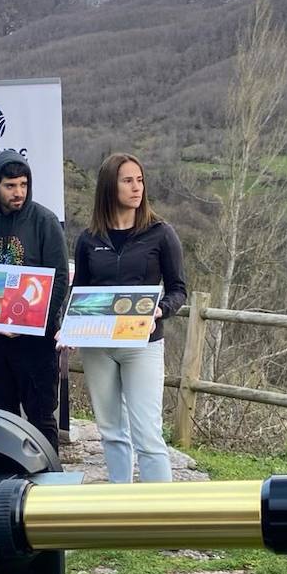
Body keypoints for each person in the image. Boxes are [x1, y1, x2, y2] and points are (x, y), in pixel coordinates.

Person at [70, 152, 187, 482]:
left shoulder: (161, 233)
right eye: (127, 180)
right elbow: (80, 293)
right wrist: (68, 331)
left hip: (143, 343)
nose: (137, 187)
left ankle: (159, 515)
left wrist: (160, 310)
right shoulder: (89, 239)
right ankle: (120, 504)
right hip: (98, 347)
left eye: (140, 179)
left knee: (148, 436)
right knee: (110, 431)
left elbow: (179, 289)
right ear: (110, 186)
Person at [0, 148, 69, 453]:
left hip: (34, 341)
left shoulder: (45, 222)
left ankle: (46, 483)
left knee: (40, 418)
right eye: (10, 186)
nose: (18, 192)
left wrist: (29, 324)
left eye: (23, 184)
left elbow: (58, 279)